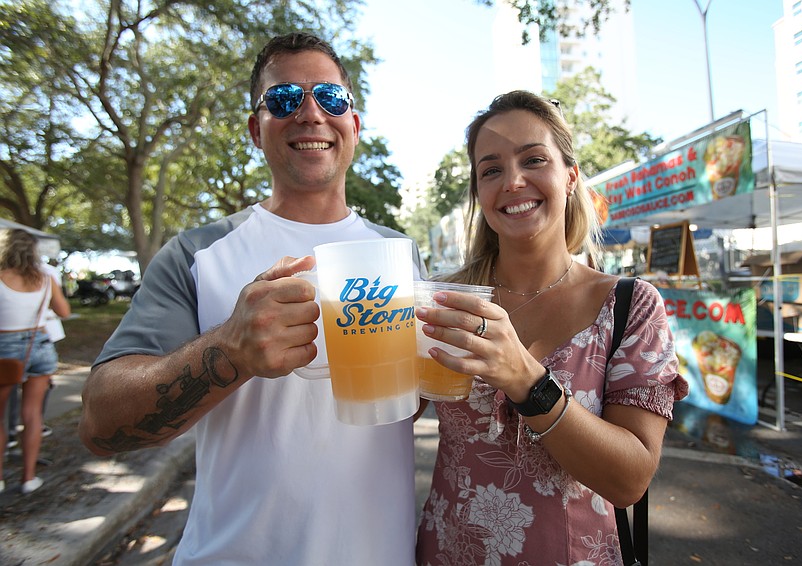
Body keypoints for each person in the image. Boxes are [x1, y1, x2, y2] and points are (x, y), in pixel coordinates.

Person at [78, 33, 424, 565]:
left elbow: (406, 403)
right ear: (255, 130)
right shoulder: (196, 254)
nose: (310, 114)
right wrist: (229, 352)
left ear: (354, 126)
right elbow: (101, 425)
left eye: (331, 99)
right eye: (284, 99)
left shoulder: (400, 254)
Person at [414, 91, 689, 565]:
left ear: (570, 176)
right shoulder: (442, 300)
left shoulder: (630, 305)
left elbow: (629, 481)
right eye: (491, 169)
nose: (513, 181)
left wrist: (526, 380)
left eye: (533, 159)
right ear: (480, 194)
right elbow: (389, 418)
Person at [0, 229, 71, 494]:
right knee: (32, 415)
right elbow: (64, 311)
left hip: (4, 348)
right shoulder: (44, 278)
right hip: (39, 345)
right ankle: (28, 478)